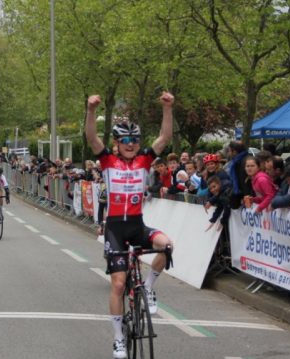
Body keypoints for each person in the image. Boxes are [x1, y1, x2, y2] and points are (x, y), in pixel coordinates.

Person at [85, 92, 174, 359]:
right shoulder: (108, 161)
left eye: (134, 140)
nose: (131, 144)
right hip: (115, 229)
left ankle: (147, 286)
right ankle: (118, 339)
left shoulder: (145, 160)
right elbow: (91, 137)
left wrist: (168, 108)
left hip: (137, 225)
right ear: (116, 143)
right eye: (124, 140)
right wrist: (90, 111)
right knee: (119, 284)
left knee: (167, 245)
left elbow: (164, 137)